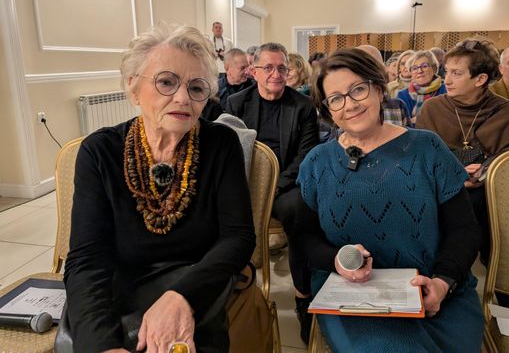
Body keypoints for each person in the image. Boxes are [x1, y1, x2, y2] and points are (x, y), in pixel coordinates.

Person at [64, 23, 256, 353]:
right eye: (166, 82)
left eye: (196, 87)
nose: (182, 97)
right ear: (133, 88)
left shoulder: (221, 144)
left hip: (199, 282)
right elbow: (87, 258)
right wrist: (101, 344)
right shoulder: (100, 151)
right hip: (121, 287)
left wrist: (181, 297)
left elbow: (238, 238)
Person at [297, 48, 483, 352]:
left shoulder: (427, 148)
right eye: (336, 98)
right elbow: (305, 237)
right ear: (328, 110)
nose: (350, 104)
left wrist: (442, 282)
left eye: (358, 90)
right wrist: (337, 261)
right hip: (353, 296)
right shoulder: (317, 163)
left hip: (433, 288)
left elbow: (465, 229)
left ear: (379, 89)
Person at [226, 42, 319, 344]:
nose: (276, 74)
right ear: (253, 72)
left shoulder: (303, 106)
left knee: (300, 212)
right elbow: (228, 153)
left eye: (281, 68)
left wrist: (275, 186)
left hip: (285, 184)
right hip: (244, 184)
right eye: (268, 67)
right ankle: (234, 292)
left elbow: (305, 156)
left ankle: (303, 297)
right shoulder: (236, 104)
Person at [416, 38, 509, 265]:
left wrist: (481, 173)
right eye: (447, 71)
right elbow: (423, 157)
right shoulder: (432, 108)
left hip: (490, 190)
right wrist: (456, 175)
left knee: (480, 199)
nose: (447, 80)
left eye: (456, 73)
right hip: (441, 186)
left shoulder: (506, 111)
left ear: (480, 79)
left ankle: (498, 267)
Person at [397, 50, 446, 124]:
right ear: (411, 73)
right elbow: (402, 125)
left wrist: (419, 118)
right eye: (414, 68)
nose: (419, 71)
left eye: (424, 66)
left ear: (434, 69)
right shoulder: (403, 95)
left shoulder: (446, 91)